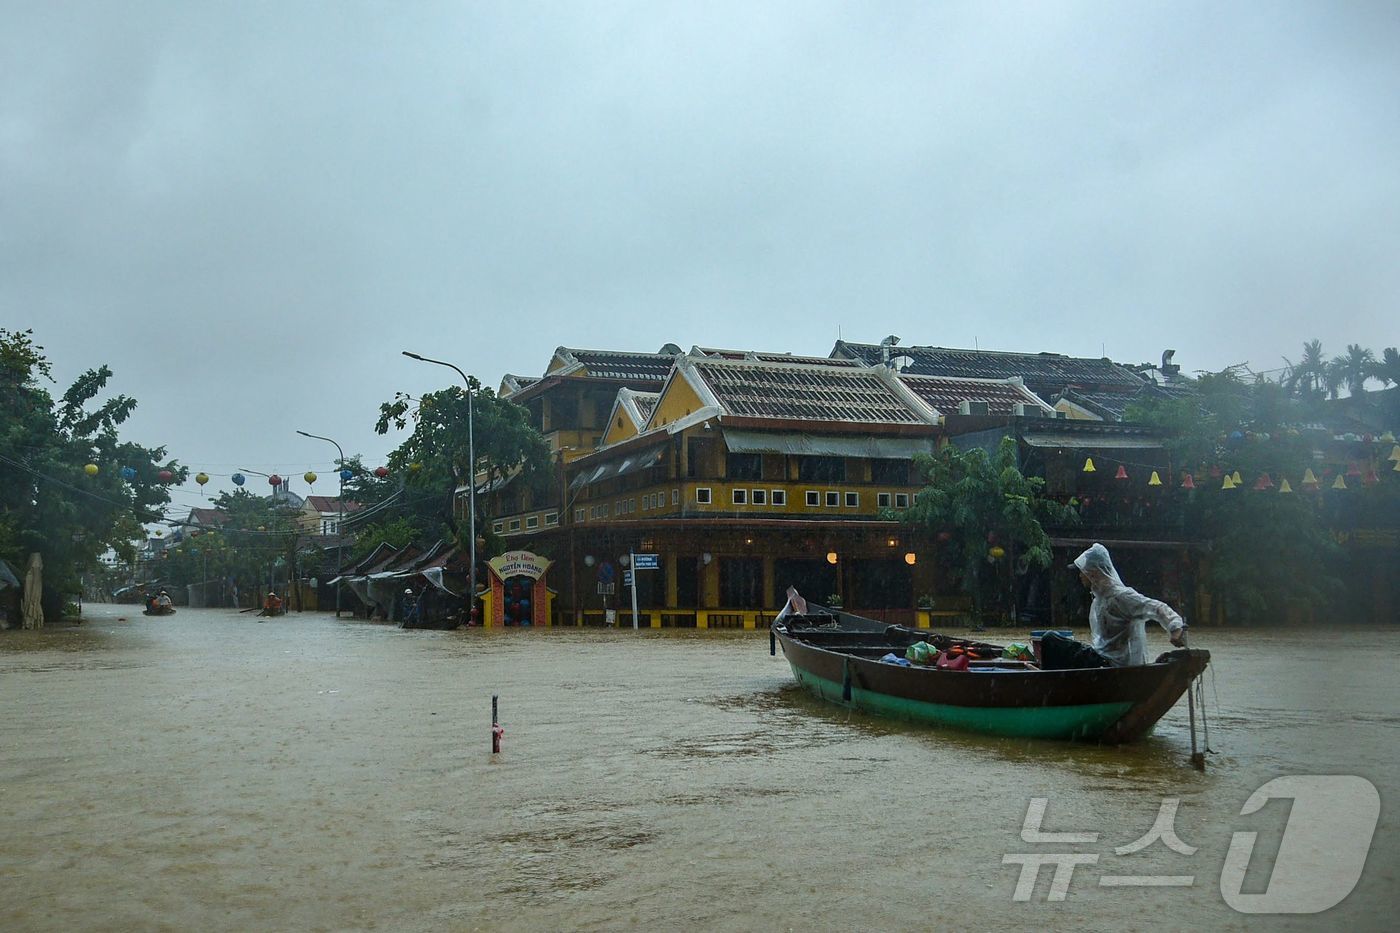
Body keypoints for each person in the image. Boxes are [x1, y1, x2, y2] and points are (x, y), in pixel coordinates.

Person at [1072, 543, 1186, 666]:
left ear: (1093, 573)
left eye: (1082, 572)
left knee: (1051, 640)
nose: (1080, 576)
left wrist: (1175, 628)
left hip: (1116, 666)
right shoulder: (1098, 600)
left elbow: (1156, 607)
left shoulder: (1121, 596)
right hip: (1103, 661)